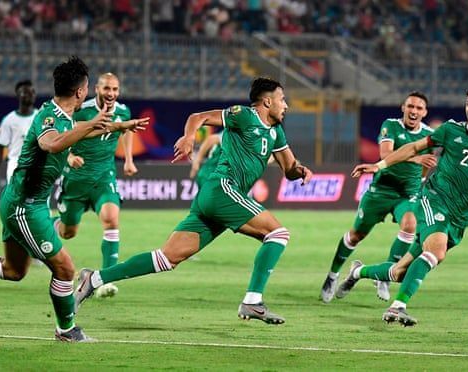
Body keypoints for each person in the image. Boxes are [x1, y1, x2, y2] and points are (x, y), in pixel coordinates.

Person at [0, 56, 149, 342]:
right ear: (81, 92)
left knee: (13, 271)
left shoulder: (64, 114)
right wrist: (95, 126)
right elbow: (50, 142)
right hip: (26, 207)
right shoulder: (51, 118)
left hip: (17, 201)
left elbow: (81, 131)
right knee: (65, 269)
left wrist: (120, 127)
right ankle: (67, 330)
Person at [74, 77, 314, 324]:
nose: (286, 105)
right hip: (222, 188)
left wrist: (301, 170)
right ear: (267, 101)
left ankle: (93, 279)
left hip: (218, 199)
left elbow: (289, 167)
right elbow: (197, 117)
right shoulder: (243, 115)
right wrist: (189, 138)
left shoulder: (276, 133)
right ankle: (253, 301)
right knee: (278, 234)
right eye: (282, 99)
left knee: (166, 258)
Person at [340, 82, 468, 326]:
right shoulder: (450, 130)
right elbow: (414, 147)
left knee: (400, 273)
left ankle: (357, 272)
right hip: (433, 200)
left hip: (459, 216)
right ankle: (398, 307)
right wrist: (379, 165)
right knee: (435, 252)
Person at [320, 92, 437, 303]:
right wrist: (417, 158)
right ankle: (333, 274)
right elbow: (385, 155)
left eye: (419, 108)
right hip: (381, 190)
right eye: (410, 106)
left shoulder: (429, 135)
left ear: (424, 112)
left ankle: (386, 274)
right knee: (356, 235)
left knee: (410, 225)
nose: (414, 111)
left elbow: (426, 167)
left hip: (408, 193)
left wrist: (419, 183)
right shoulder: (390, 125)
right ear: (403, 107)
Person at [55, 73, 136, 298]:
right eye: (107, 89)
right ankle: (45, 226)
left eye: (115, 89)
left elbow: (125, 130)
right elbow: (61, 135)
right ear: (97, 89)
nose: (111, 94)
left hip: (104, 177)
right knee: (68, 232)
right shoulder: (81, 110)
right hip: (76, 179)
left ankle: (105, 279)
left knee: (111, 218)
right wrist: (69, 155)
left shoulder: (122, 111)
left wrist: (128, 158)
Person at [0, 80, 38, 191]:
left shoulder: (40, 116)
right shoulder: (9, 120)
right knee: (17, 202)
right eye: (26, 92)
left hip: (36, 163)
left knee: (38, 202)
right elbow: (0, 147)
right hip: (16, 164)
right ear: (18, 95)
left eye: (32, 92)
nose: (31, 95)